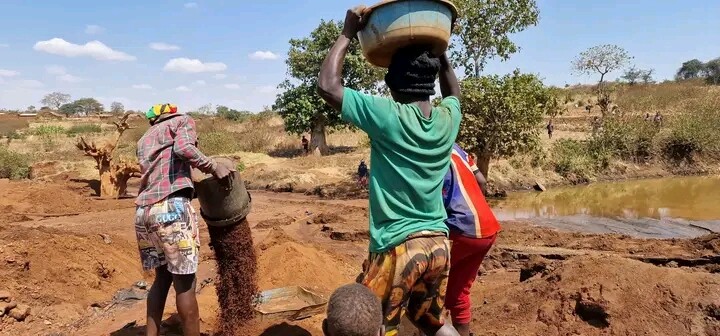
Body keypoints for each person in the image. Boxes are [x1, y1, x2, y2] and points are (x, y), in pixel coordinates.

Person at [317, 7, 461, 336]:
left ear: (391, 84)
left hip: (398, 248)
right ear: (431, 82)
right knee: (433, 323)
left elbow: (327, 86)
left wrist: (348, 32)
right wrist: (442, 52)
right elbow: (454, 94)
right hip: (439, 245)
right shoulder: (447, 119)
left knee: (373, 326)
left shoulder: (388, 116)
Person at [135, 103, 233, 336]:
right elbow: (184, 148)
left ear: (153, 120)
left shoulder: (144, 138)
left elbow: (165, 169)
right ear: (172, 113)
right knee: (185, 285)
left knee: (161, 279)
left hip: (144, 214)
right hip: (171, 210)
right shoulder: (182, 121)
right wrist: (213, 167)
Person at [441, 144, 500, 336]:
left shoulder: (424, 148)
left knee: (430, 286)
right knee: (458, 290)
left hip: (461, 229)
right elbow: (481, 180)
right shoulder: (454, 147)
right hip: (487, 227)